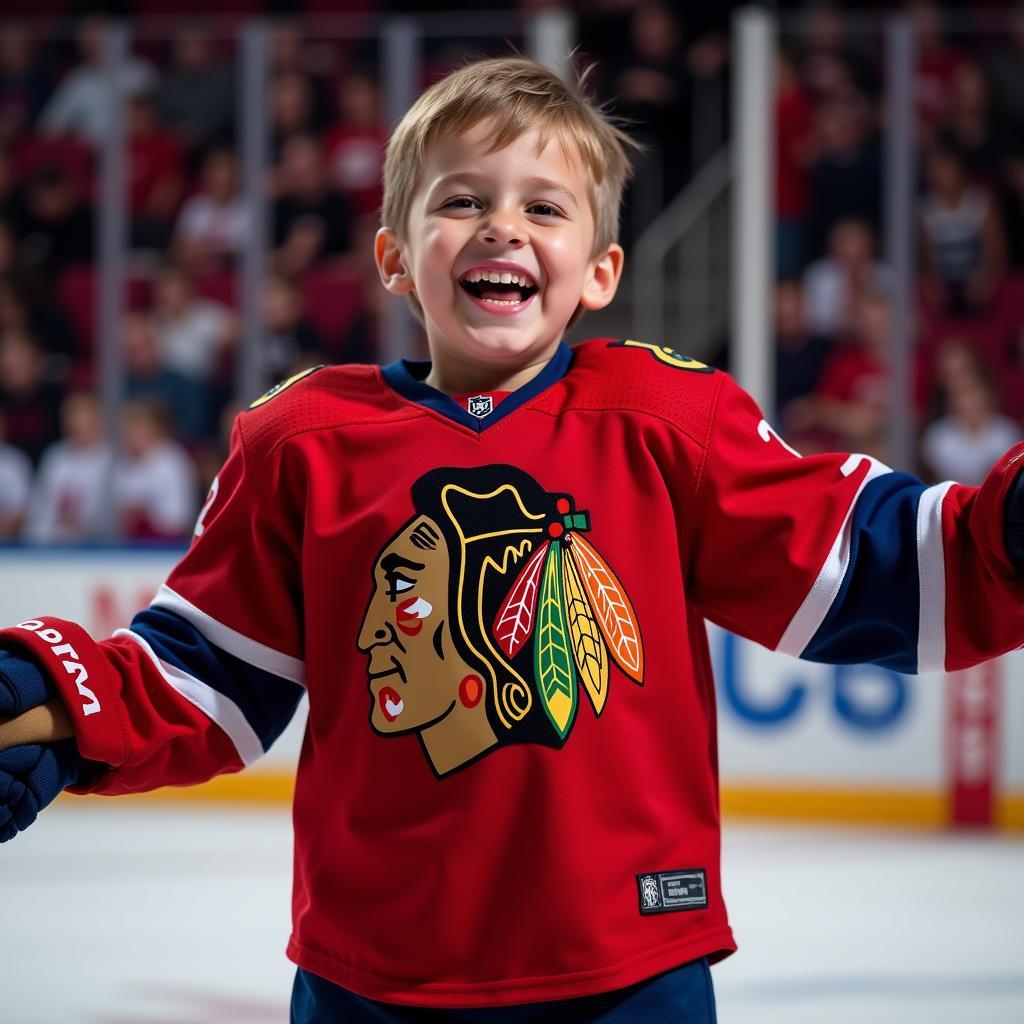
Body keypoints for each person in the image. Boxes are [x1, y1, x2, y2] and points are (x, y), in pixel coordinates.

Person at [2, 57, 1024, 1024]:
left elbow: (870, 562)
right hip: (371, 976)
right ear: (394, 257)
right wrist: (60, 704)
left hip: (628, 969)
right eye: (460, 200)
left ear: (600, 269)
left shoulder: (666, 420)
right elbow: (206, 671)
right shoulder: (300, 443)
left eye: (543, 207)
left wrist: (1006, 532)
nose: (501, 227)